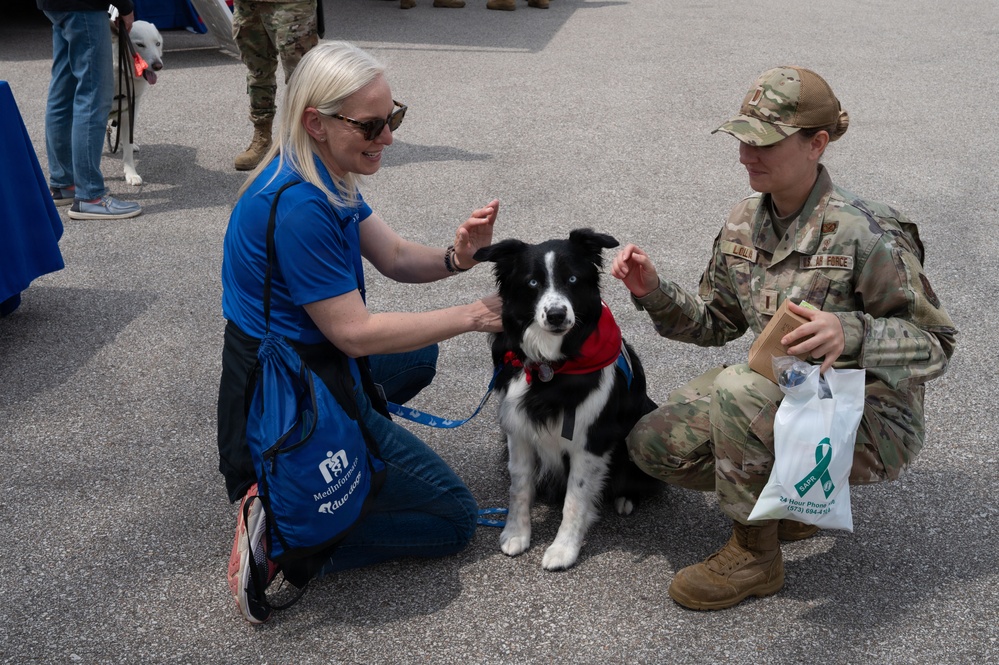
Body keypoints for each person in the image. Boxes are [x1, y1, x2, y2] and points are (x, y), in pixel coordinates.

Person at [611, 66, 957, 611]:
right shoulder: (743, 222)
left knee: (737, 388)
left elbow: (937, 345)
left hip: (872, 418)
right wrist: (653, 291)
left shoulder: (866, 232)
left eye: (764, 141)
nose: (747, 154)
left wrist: (850, 331)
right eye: (743, 138)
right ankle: (793, 504)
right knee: (653, 444)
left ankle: (755, 554)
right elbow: (714, 323)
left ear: (816, 143)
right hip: (794, 396)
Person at [217, 40, 503, 623]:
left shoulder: (322, 170)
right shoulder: (300, 207)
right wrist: (475, 315)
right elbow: (356, 334)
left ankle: (351, 466)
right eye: (373, 125)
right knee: (454, 518)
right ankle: (283, 546)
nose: (389, 138)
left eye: (393, 117)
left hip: (292, 367)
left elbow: (395, 256)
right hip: (287, 396)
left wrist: (458, 257)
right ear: (315, 122)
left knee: (419, 353)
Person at [37, 0, 143, 220]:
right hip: (85, 5)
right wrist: (124, 6)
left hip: (56, 5)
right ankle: (90, 196)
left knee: (63, 92)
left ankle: (64, 183)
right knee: (94, 94)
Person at [231, 0, 319, 171]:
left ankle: (305, 143)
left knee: (301, 76)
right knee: (258, 72)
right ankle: (262, 137)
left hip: (291, 4)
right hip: (248, 5)